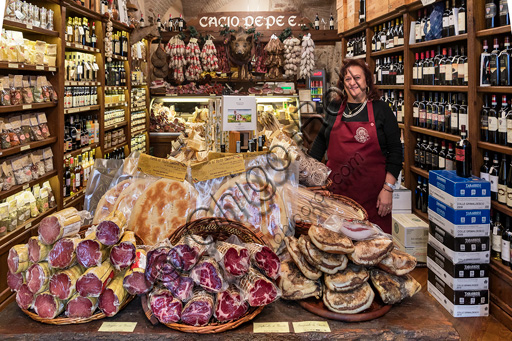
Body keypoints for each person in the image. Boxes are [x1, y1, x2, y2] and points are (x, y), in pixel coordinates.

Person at [309, 58, 402, 234]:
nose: (353, 83)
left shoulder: (381, 110)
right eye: (348, 79)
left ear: (367, 80)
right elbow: (321, 141)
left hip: (373, 198)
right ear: (342, 83)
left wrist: (388, 189)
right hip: (336, 196)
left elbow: (396, 151)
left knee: (372, 250)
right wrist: (307, 176)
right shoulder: (335, 107)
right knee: (337, 246)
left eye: (357, 78)